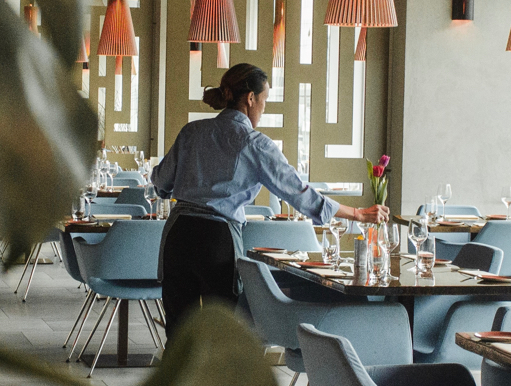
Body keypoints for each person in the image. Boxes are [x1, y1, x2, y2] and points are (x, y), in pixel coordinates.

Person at [151, 63, 389, 338]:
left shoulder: (191, 131)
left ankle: (177, 381)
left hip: (177, 235)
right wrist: (357, 214)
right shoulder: (254, 143)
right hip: (216, 241)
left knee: (178, 334)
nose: (263, 109)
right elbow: (298, 192)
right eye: (264, 100)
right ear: (250, 98)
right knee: (223, 335)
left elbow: (160, 182)